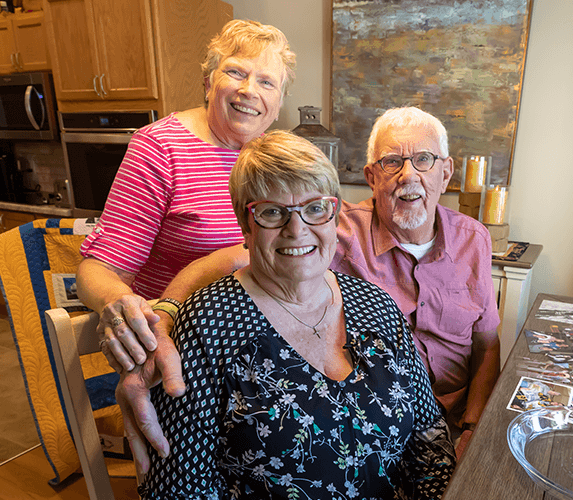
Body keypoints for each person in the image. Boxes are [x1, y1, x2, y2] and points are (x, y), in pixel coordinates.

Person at [112, 107, 501, 466]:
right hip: (367, 421)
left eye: (423, 160)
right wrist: (164, 319)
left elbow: (487, 344)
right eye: (392, 162)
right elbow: (228, 260)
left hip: (452, 419)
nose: (409, 175)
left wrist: (474, 427)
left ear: (446, 172)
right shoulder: (330, 227)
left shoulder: (474, 239)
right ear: (371, 176)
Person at [75, 20, 296, 371]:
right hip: (176, 343)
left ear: (280, 100)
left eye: (267, 82)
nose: (249, 90)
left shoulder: (276, 156)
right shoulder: (160, 148)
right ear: (209, 83)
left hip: (259, 341)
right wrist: (118, 302)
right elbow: (99, 269)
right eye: (236, 72)